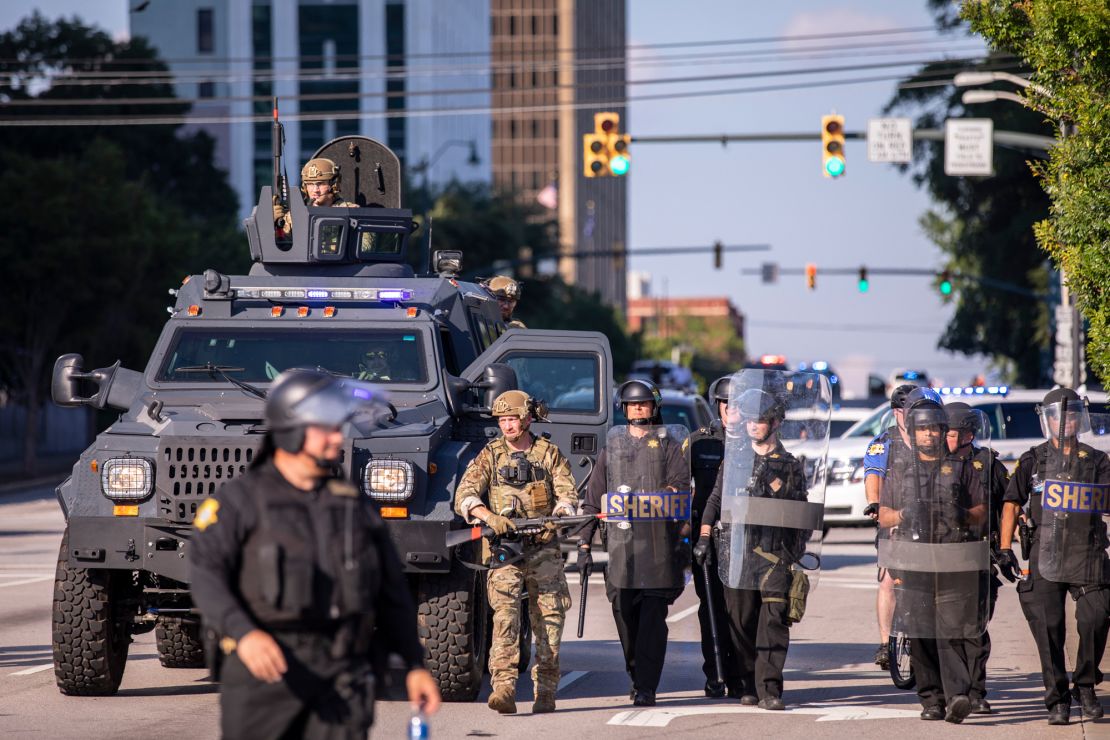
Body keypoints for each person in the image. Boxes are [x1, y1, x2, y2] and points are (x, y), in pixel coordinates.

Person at [189, 368, 440, 739]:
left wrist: (415, 664)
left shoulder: (355, 507)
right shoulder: (240, 501)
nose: (338, 437)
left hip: (343, 680)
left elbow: (391, 594)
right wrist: (244, 634)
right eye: (327, 427)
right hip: (267, 676)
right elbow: (207, 576)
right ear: (292, 429)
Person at [453, 390, 578, 715]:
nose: (507, 425)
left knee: (549, 621)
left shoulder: (548, 453)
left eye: (512, 419)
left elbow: (568, 494)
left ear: (527, 419)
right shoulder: (490, 455)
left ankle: (546, 691)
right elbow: (464, 493)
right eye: (503, 420)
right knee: (505, 619)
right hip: (505, 548)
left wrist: (558, 517)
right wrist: (488, 516)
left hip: (543, 548)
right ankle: (504, 689)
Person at [996, 387, 1110, 725]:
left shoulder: (1098, 461)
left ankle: (1086, 685)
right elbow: (1011, 503)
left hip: (1087, 552)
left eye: (1073, 414)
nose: (1067, 421)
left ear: (1081, 418)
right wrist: (1004, 549)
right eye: (1061, 415)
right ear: (1048, 419)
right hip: (1045, 552)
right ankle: (1057, 698)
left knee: (1096, 616)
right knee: (1048, 627)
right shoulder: (1032, 460)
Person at [694, 387, 810, 711]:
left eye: (760, 420)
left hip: (775, 558)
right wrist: (704, 537)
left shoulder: (790, 466)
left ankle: (770, 688)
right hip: (738, 555)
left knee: (773, 623)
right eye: (749, 421)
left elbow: (802, 513)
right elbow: (714, 501)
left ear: (775, 423)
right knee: (741, 621)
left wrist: (795, 552)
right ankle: (747, 680)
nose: (752, 426)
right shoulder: (734, 461)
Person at [877, 388, 989, 724]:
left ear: (942, 431)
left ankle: (958, 696)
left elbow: (983, 511)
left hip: (954, 560)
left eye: (935, 429)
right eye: (923, 429)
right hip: (912, 562)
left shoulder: (961, 468)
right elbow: (882, 515)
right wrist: (902, 515)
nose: (929, 434)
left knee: (952, 629)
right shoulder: (899, 470)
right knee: (920, 630)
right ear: (912, 432)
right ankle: (931, 699)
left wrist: (963, 515)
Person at [577, 379, 690, 707]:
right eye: (631, 405)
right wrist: (583, 546)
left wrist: (653, 500)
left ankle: (646, 686)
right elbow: (593, 500)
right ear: (623, 409)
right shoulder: (612, 450)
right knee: (625, 618)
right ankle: (635, 672)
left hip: (658, 549)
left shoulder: (669, 446)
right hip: (621, 551)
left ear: (654, 407)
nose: (637, 409)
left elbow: (681, 489)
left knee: (653, 621)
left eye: (643, 404)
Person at [945, 401, 1011, 714]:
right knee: (947, 629)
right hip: (941, 556)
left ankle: (975, 692)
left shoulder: (989, 464)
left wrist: (1008, 547)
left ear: (970, 433)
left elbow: (1010, 505)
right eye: (947, 432)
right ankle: (954, 692)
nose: (950, 439)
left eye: (956, 432)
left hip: (979, 555)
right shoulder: (931, 463)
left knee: (975, 628)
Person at [686, 376, 739, 699]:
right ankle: (715, 674)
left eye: (738, 405)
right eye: (726, 404)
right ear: (717, 405)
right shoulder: (698, 442)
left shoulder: (754, 440)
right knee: (711, 608)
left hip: (743, 536)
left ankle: (740, 673)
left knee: (742, 610)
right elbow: (678, 488)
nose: (732, 411)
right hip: (706, 537)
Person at [862, 383, 917, 669]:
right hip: (894, 519)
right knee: (887, 581)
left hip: (929, 521)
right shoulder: (883, 441)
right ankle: (886, 643)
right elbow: (873, 474)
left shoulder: (932, 438)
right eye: (910, 410)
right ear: (897, 412)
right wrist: (875, 505)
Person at [274, 158, 360, 239]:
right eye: (310, 184)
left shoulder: (350, 212)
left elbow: (365, 245)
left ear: (334, 185)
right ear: (305, 187)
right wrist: (272, 225)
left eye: (321, 184)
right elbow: (282, 244)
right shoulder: (294, 216)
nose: (315, 190)